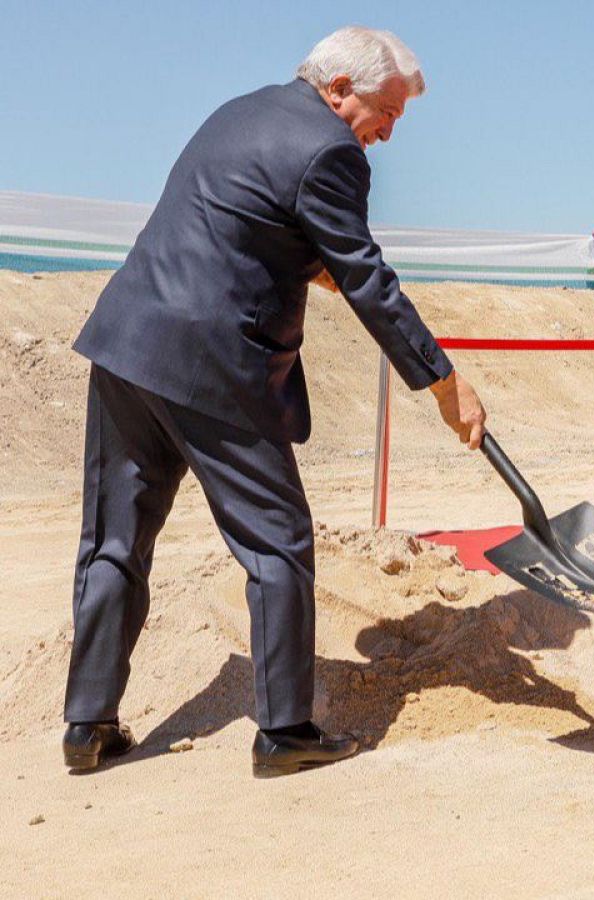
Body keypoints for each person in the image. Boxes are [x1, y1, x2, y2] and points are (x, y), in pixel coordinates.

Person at [62, 27, 486, 777]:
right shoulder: (332, 150)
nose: (387, 133)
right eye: (386, 112)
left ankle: (88, 724)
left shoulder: (240, 111)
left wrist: (313, 262)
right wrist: (445, 383)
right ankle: (285, 732)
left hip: (128, 342)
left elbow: (247, 225)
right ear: (339, 92)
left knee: (114, 539)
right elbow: (368, 281)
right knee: (279, 540)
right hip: (215, 364)